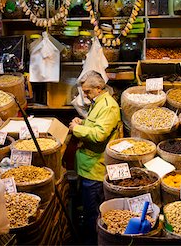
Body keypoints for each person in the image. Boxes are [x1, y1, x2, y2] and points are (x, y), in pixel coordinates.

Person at [69, 71, 121, 244]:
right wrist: (82, 123)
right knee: (88, 209)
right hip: (87, 166)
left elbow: (99, 135)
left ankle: (92, 242)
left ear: (99, 88)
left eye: (87, 91)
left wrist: (76, 129)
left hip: (96, 169)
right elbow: (95, 125)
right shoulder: (97, 103)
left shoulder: (108, 106)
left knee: (93, 213)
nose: (85, 95)